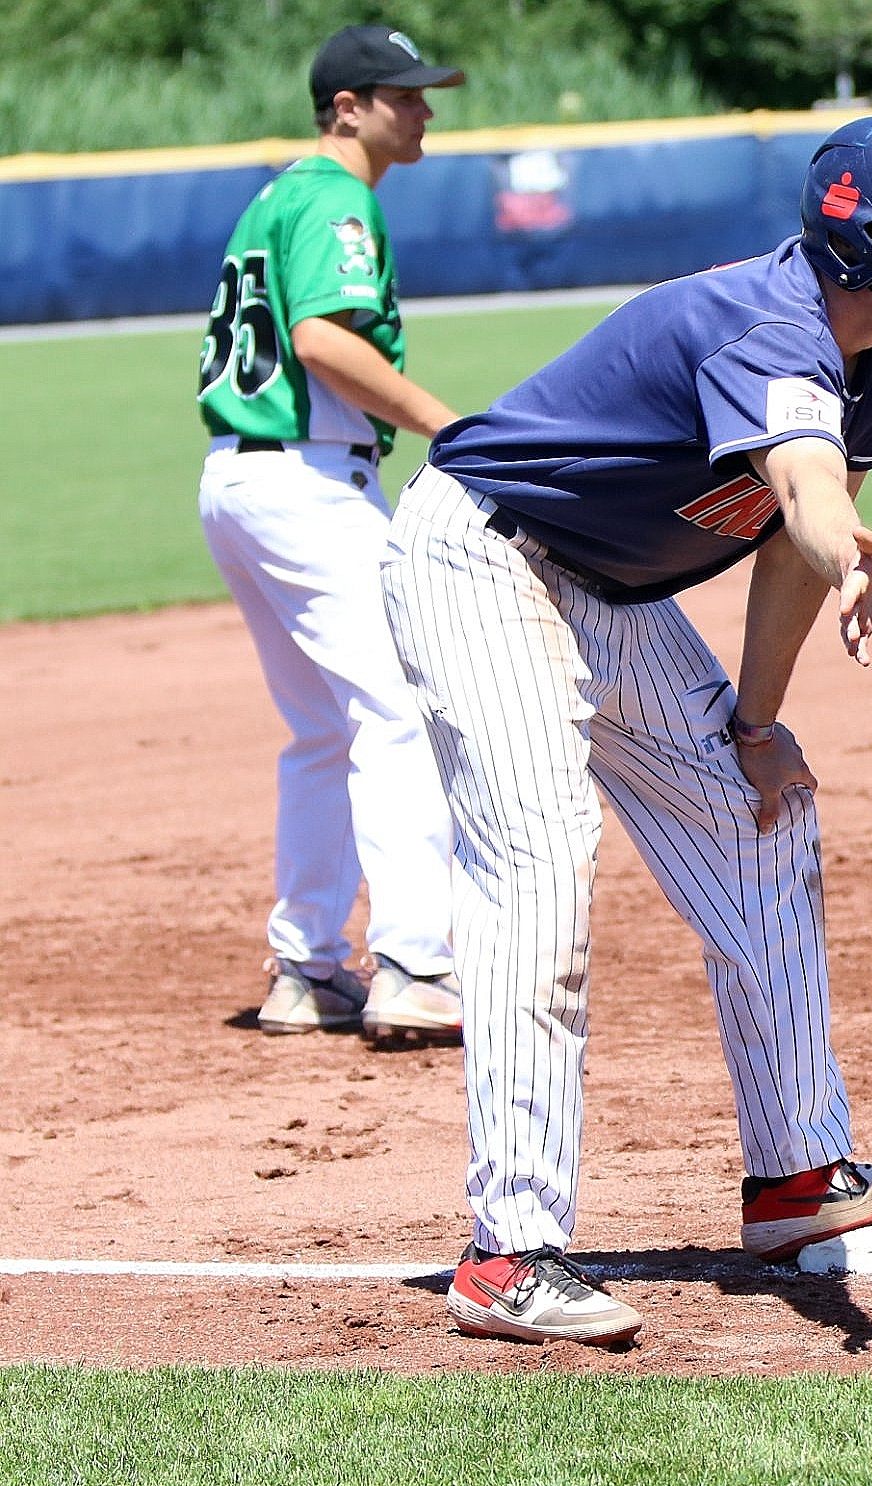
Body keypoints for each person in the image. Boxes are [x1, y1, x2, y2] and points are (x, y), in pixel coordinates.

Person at [385, 115, 872, 1347]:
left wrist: (757, 719)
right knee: (543, 858)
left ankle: (797, 1181)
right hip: (481, 556)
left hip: (608, 592)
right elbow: (809, 494)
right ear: (850, 241)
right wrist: (838, 541)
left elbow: (801, 528)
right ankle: (509, 1254)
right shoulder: (764, 326)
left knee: (758, 814)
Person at [196, 25, 466, 1046]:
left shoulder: (275, 196)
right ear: (346, 106)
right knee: (397, 712)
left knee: (322, 733)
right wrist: (447, 423)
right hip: (308, 483)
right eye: (403, 95)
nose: (424, 110)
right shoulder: (337, 196)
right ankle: (414, 964)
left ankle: (307, 968)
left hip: (241, 482)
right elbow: (320, 338)